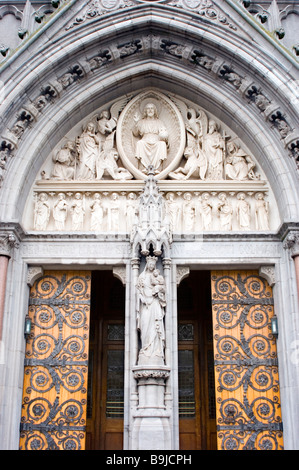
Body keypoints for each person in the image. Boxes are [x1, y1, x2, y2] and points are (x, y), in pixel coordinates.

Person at [136, 256, 166, 365]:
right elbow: (138, 292)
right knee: (145, 327)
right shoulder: (142, 277)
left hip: (155, 304)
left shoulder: (158, 278)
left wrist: (158, 290)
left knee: (155, 326)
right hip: (145, 305)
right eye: (150, 264)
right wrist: (142, 298)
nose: (152, 266)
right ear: (147, 265)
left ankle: (157, 352)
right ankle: (145, 350)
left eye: (153, 265)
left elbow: (164, 289)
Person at [133, 103, 168, 170]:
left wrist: (164, 135)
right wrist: (136, 123)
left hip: (156, 141)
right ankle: (142, 167)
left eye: (152, 108)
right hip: (145, 141)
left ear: (155, 111)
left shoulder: (159, 122)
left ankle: (159, 168)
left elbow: (164, 134)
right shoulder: (141, 122)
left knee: (162, 144)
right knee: (140, 143)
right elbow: (135, 133)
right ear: (145, 111)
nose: (150, 110)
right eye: (148, 108)